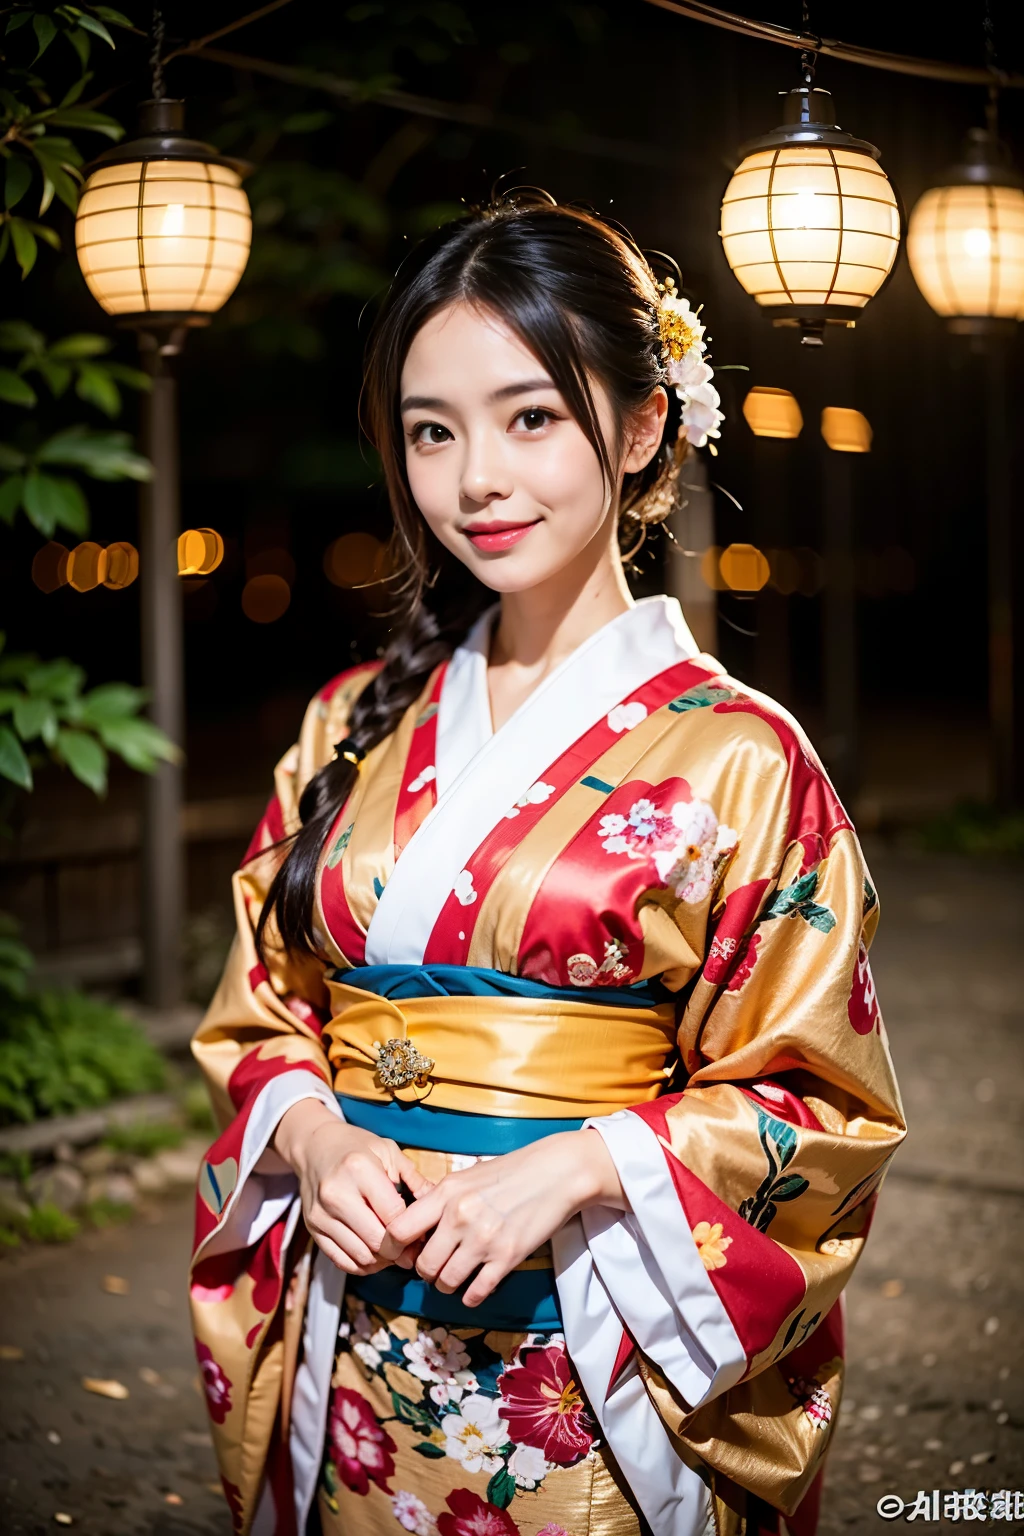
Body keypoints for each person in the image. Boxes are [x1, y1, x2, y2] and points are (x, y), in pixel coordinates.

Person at [189, 192, 905, 1536]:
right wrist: (318, 1131)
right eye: (431, 431)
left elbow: (819, 1106)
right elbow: (263, 1011)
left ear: (644, 426)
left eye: (530, 416)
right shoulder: (352, 722)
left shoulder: (744, 758)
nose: (475, 481)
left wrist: (591, 1164)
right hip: (355, 1345)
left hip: (591, 1361)